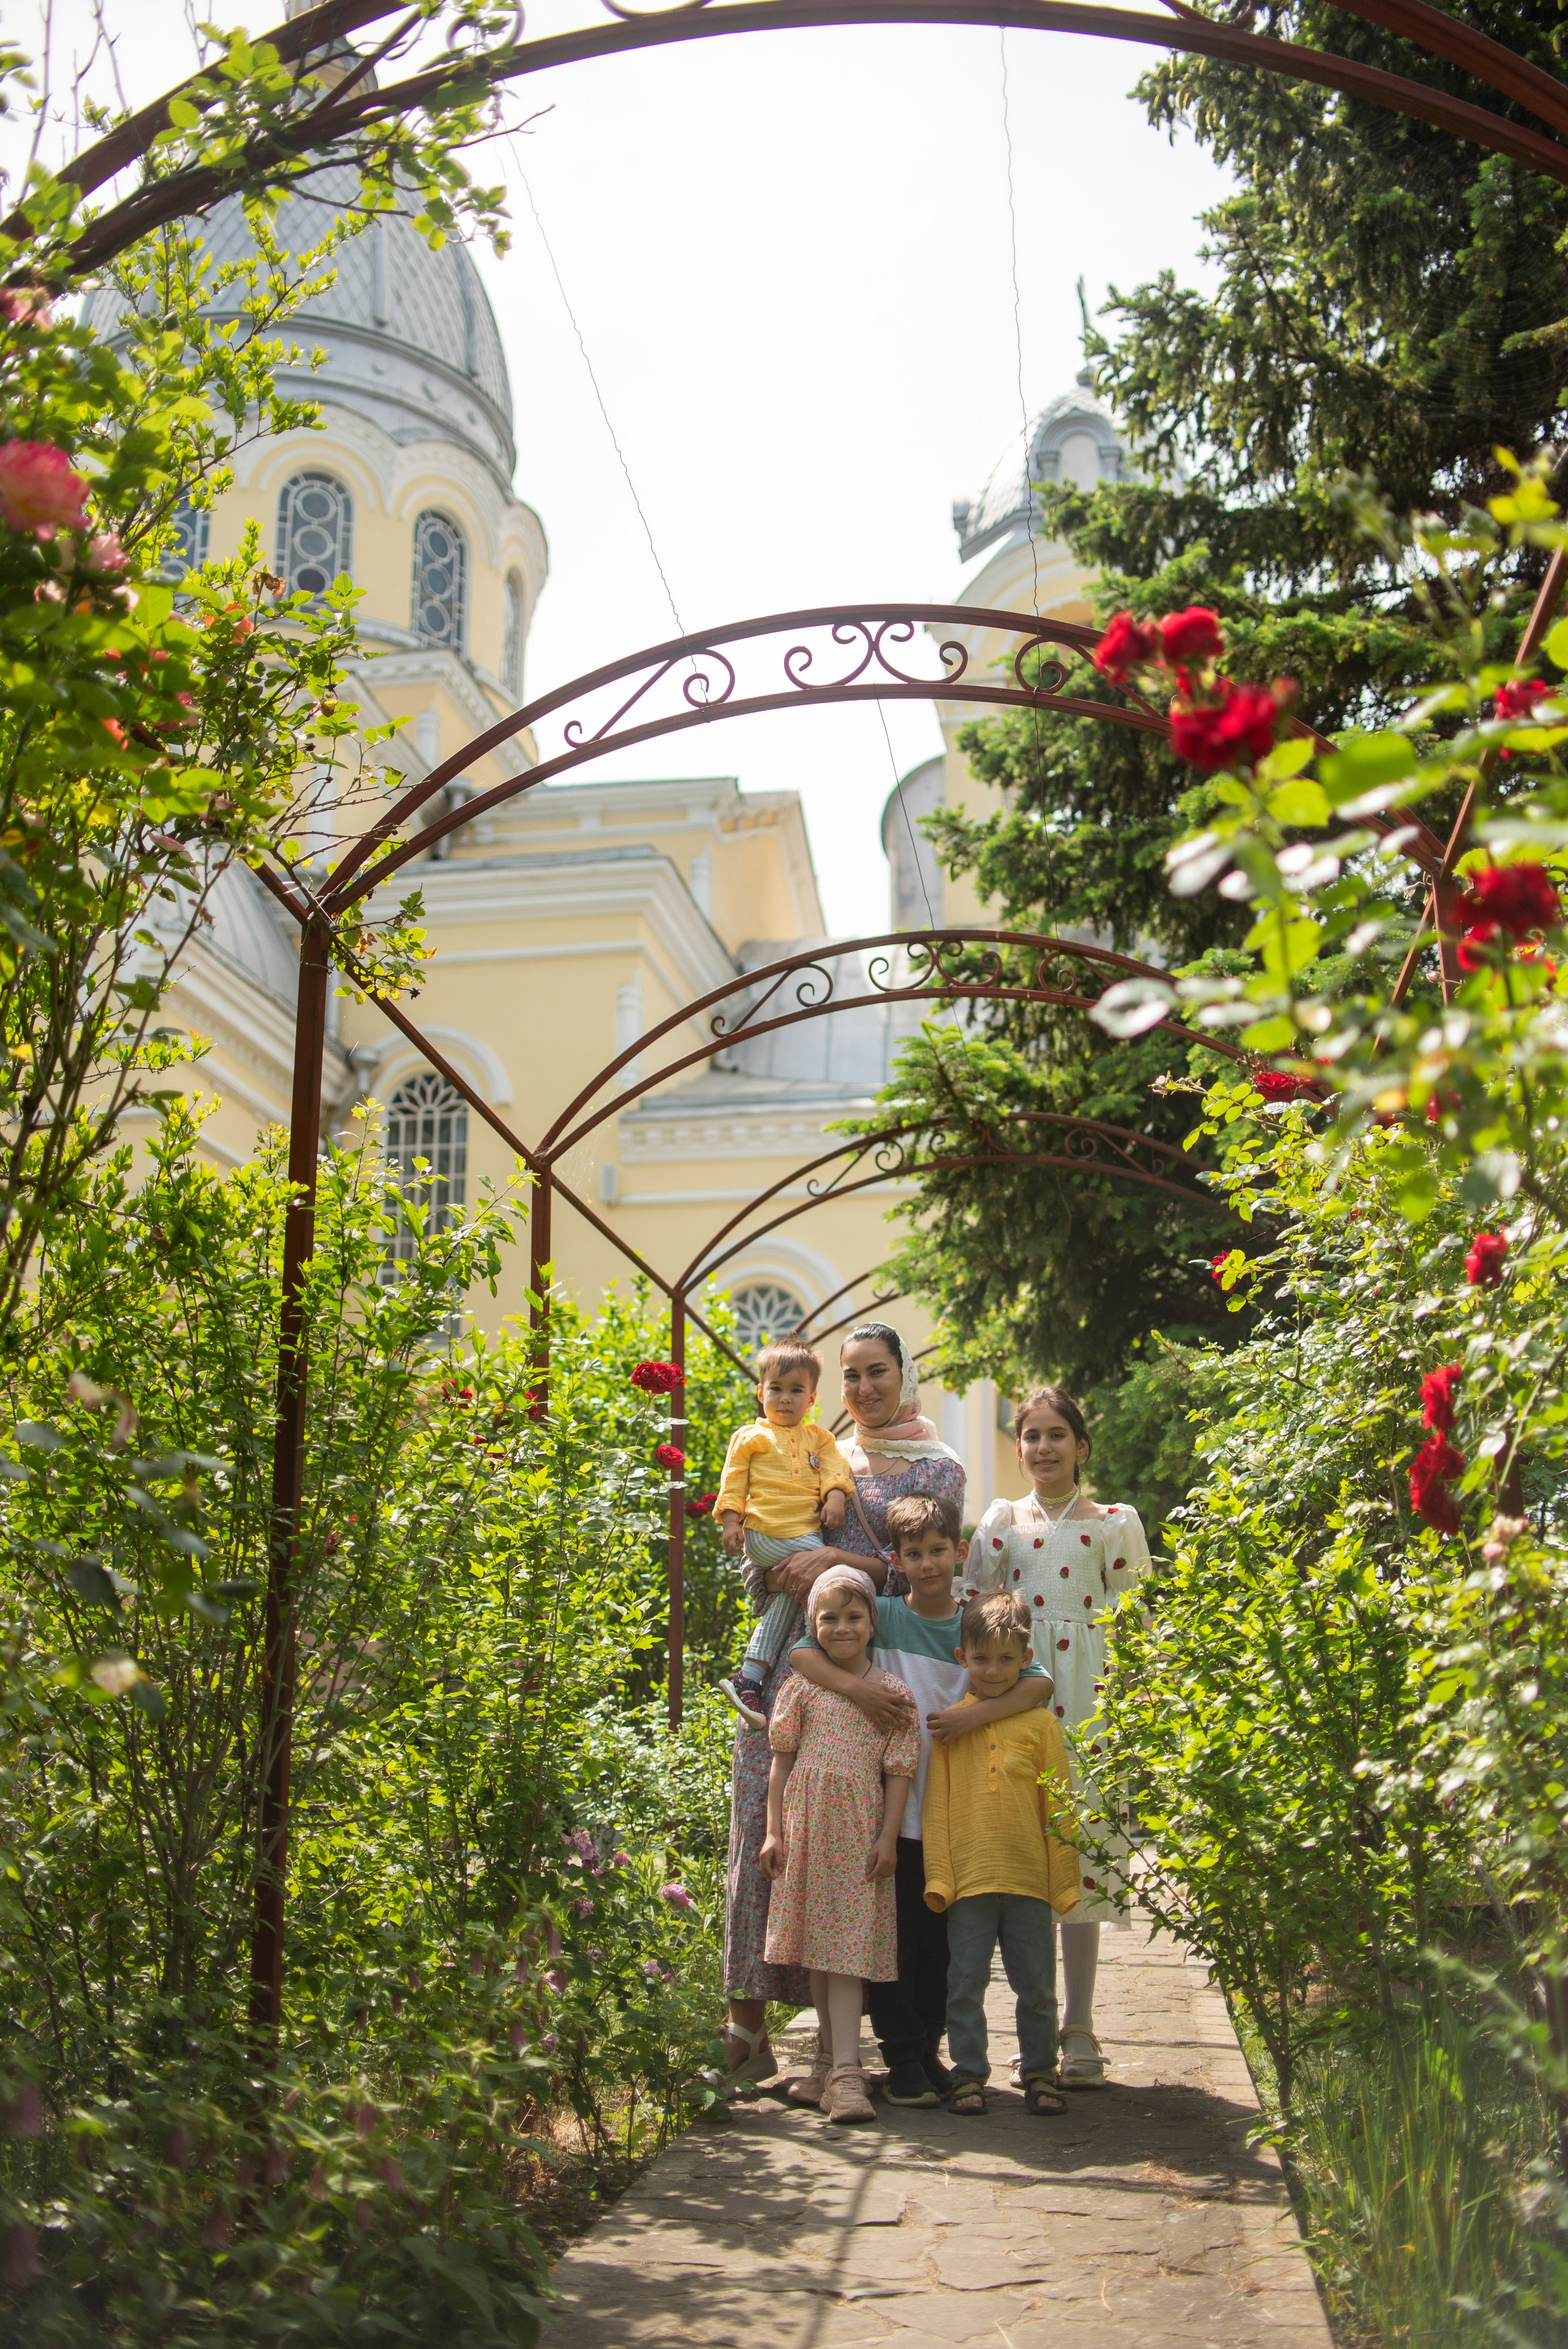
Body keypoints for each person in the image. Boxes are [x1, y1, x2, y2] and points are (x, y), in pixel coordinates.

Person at [718, 1321, 963, 2089]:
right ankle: (747, 2024)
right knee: (765, 1834)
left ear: (904, 1374)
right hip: (793, 1666)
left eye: (877, 1372)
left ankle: (845, 2052)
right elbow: (763, 1550)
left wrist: (831, 1560)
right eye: (850, 1375)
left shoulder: (938, 1467)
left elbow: (920, 1573)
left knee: (854, 1857)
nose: (863, 1389)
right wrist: (786, 1563)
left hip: (874, 1682)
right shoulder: (812, 1448)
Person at [789, 1490, 1054, 2107]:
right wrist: (859, 1692)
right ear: (897, 1559)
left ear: (960, 1552)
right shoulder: (883, 1616)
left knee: (942, 1949)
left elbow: (1037, 1680)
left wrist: (974, 1716)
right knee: (894, 1941)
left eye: (939, 1550)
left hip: (959, 1813)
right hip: (891, 1812)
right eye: (914, 1552)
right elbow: (805, 1650)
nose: (929, 1562)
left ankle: (928, 2049)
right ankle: (903, 2057)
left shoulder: (975, 1617)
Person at [965, 1385, 1150, 2089]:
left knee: (1081, 1854)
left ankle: (1080, 2027)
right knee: (1021, 1854)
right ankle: (1033, 2026)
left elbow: (1134, 1624)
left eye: (1056, 1435)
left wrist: (1135, 1710)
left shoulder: (1112, 1522)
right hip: (1017, 1701)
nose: (1043, 1447)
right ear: (1018, 1447)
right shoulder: (1001, 1522)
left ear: (1080, 1444)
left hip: (1090, 1706)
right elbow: (976, 1612)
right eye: (1031, 1436)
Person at [759, 1565, 921, 2124]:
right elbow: (780, 1763)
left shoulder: (893, 1694)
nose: (842, 1627)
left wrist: (888, 1837)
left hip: (856, 1835)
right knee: (821, 1953)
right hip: (807, 1832)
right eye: (829, 1618)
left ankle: (849, 2072)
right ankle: (828, 2063)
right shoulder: (800, 1687)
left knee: (846, 1951)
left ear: (873, 1622)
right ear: (812, 1625)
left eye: (854, 1616)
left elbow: (899, 1770)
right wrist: (774, 1829)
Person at [922, 1589, 1082, 2116]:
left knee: (1036, 1985)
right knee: (964, 1984)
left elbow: (1058, 1803)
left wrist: (1062, 1876)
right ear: (961, 1657)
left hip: (1028, 1879)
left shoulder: (1041, 1725)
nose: (994, 1670)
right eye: (982, 1658)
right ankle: (970, 2075)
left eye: (1007, 1659)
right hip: (968, 1881)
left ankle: (1040, 2071)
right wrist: (940, 1875)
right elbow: (938, 1808)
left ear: (1025, 1658)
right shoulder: (950, 1724)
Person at [713, 1340, 856, 1729]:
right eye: (776, 1389)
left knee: (791, 1598)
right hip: (765, 1533)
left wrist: (836, 1499)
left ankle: (750, 1676)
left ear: (811, 1399)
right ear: (761, 1393)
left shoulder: (820, 1439)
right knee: (828, 1580)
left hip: (802, 1536)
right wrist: (730, 1522)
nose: (785, 1399)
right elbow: (733, 1482)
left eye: (796, 1391)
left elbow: (834, 1472)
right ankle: (825, 1661)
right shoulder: (750, 1437)